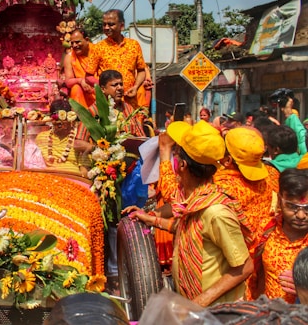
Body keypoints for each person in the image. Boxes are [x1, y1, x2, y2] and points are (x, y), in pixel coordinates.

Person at [126, 121, 253, 306]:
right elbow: (189, 232)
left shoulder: (216, 211)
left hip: (216, 313)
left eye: (176, 156)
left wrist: (200, 302)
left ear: (182, 165)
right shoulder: (194, 202)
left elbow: (244, 266)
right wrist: (152, 219)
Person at [250, 168, 308, 303]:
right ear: (280, 200)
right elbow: (253, 273)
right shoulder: (265, 229)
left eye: (307, 208)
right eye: (292, 207)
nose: (301, 215)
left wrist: (304, 288)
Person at [86, 9, 147, 109]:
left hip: (130, 101)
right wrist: (106, 88)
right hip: (108, 103)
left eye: (110, 24)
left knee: (131, 124)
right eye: (104, 24)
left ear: (121, 26)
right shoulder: (98, 47)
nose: (106, 28)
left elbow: (141, 71)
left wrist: (136, 87)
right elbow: (88, 76)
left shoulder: (134, 45)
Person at [35, 99, 88, 175]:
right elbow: (33, 165)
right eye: (56, 118)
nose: (59, 122)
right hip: (46, 181)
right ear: (51, 118)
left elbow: (85, 171)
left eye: (63, 118)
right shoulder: (41, 138)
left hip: (73, 181)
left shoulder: (79, 138)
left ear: (71, 118)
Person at [62, 29, 97, 108]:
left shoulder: (97, 51)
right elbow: (68, 82)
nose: (74, 45)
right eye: (72, 43)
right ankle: (81, 116)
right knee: (75, 88)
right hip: (83, 93)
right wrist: (81, 80)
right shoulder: (69, 57)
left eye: (78, 42)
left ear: (87, 40)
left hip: (99, 90)